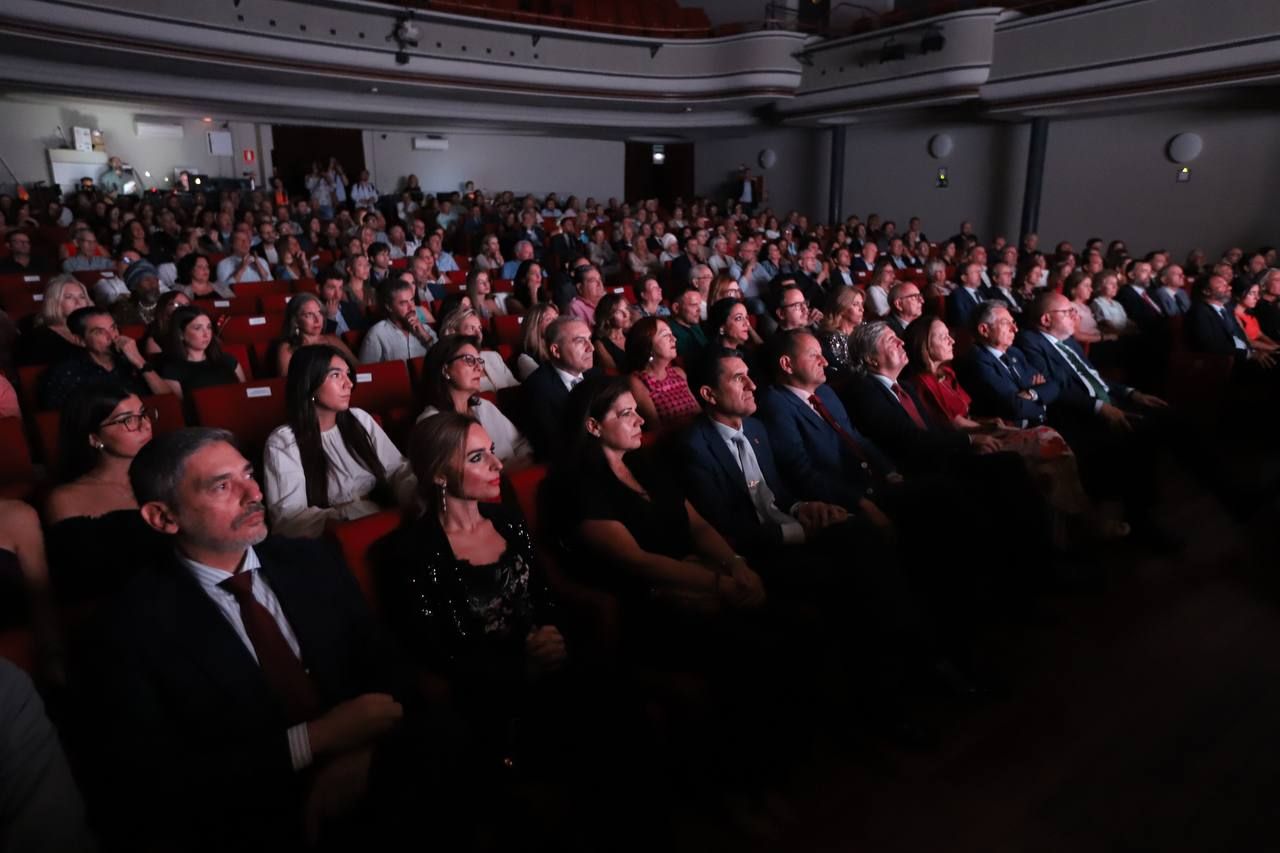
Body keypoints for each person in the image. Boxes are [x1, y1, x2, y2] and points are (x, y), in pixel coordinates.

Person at [84, 427, 430, 850]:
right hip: (247, 821)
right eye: (223, 486)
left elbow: (387, 664)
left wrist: (361, 753)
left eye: (248, 474)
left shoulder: (313, 560)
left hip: (381, 773)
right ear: (163, 517)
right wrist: (313, 740)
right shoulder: (129, 624)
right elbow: (156, 780)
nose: (254, 494)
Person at [372, 412, 564, 764]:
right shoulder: (411, 552)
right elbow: (436, 650)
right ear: (439, 475)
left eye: (492, 451)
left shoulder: (508, 520)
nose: (497, 464)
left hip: (549, 666)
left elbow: (543, 593)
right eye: (478, 457)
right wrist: (523, 663)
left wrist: (551, 632)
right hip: (486, 698)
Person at [900, 317, 1120, 541]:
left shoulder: (948, 374)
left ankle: (1068, 522)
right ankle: (1076, 521)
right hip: (968, 442)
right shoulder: (923, 382)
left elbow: (968, 413)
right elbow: (954, 424)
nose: (951, 340)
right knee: (1047, 441)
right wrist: (989, 425)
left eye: (950, 334)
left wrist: (991, 420)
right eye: (942, 336)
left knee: (1051, 451)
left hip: (980, 429)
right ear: (925, 345)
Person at [264, 345, 415, 538]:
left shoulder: (360, 418)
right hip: (335, 535)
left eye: (348, 374)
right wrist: (349, 517)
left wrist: (416, 492)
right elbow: (288, 518)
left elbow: (397, 470)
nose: (349, 383)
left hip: (383, 518)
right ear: (310, 382)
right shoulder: (284, 441)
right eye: (336, 375)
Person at [44, 384, 168, 604]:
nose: (144, 425)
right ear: (94, 438)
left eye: (142, 414)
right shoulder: (66, 498)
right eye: (127, 419)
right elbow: (83, 582)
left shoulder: (169, 475)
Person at [416, 335, 533, 468]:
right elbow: (455, 477)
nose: (479, 368)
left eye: (479, 361)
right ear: (445, 369)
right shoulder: (432, 421)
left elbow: (520, 444)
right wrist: (502, 470)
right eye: (469, 360)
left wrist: (522, 463)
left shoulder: (484, 405)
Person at [39, 306, 170, 409]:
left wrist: (140, 362)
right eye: (100, 332)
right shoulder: (65, 373)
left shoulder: (131, 361)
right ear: (80, 340)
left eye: (113, 328)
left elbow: (168, 400)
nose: (112, 336)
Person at [522, 316, 599, 461]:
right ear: (556, 351)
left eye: (589, 339)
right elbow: (555, 445)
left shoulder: (596, 374)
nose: (591, 347)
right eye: (580, 341)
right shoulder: (537, 388)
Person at [625, 316, 700, 430]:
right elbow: (656, 428)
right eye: (665, 335)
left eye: (672, 334)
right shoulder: (637, 381)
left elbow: (699, 413)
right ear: (648, 345)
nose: (674, 339)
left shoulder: (679, 373)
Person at [158, 305, 246, 397]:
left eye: (209, 327)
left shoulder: (228, 361)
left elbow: (245, 396)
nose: (206, 334)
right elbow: (180, 407)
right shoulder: (172, 370)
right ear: (181, 334)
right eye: (198, 328)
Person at [275, 291, 357, 376]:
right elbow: (286, 383)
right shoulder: (287, 348)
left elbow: (358, 367)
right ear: (295, 321)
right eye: (309, 314)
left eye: (320, 313)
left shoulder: (333, 340)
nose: (317, 320)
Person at [15, 275, 91, 366]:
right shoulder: (39, 338)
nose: (78, 302)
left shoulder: (99, 331)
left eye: (82, 297)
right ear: (54, 302)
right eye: (69, 297)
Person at [439, 307, 520, 391]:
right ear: (453, 333)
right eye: (472, 328)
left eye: (480, 328)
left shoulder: (493, 356)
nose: (479, 334)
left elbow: (517, 389)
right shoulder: (448, 367)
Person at [358, 278, 437, 363]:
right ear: (389, 307)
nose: (411, 307)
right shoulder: (377, 334)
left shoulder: (425, 329)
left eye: (412, 300)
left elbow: (442, 360)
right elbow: (366, 372)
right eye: (403, 303)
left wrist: (425, 335)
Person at [815, 286, 865, 385]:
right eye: (856, 304)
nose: (862, 309)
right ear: (841, 308)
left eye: (862, 304)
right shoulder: (829, 338)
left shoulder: (865, 331)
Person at [1233, 280, 1280, 354]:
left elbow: (1259, 333)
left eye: (1257, 293)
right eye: (1252, 293)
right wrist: (1274, 348)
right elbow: (1248, 341)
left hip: (1261, 348)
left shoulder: (1249, 313)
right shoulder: (1234, 316)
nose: (1257, 297)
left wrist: (1274, 345)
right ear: (1240, 294)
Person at [515, 302, 559, 381]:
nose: (556, 322)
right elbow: (544, 385)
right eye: (549, 319)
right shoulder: (525, 358)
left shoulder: (561, 348)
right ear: (534, 325)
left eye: (556, 318)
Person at [592, 292, 632, 372]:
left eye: (626, 309)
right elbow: (613, 371)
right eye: (619, 312)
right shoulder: (599, 343)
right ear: (607, 317)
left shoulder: (632, 334)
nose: (626, 314)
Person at [667, 287, 707, 362]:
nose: (699, 310)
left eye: (699, 305)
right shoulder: (670, 333)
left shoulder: (694, 324)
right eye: (693, 305)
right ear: (676, 308)